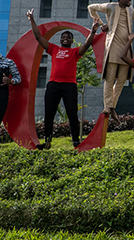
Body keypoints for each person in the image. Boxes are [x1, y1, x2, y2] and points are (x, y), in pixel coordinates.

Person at [26, 9, 99, 149]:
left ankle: (76, 141)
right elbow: (38, 37)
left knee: (72, 113)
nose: (65, 38)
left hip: (69, 86)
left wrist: (93, 31)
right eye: (63, 36)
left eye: (68, 37)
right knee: (49, 114)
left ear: (72, 41)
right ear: (60, 40)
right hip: (53, 85)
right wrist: (32, 20)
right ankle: (47, 142)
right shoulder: (53, 49)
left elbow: (87, 44)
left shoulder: (75, 52)